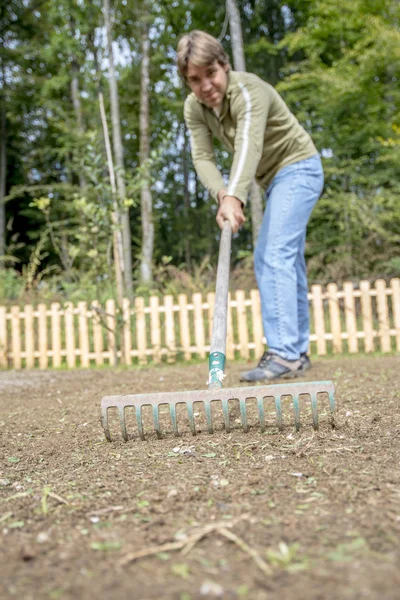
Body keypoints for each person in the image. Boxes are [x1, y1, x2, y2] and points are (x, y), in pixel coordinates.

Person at [177, 30, 324, 382]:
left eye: (210, 73)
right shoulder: (194, 108)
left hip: (300, 167)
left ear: (224, 66)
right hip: (274, 181)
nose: (205, 85)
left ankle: (285, 352)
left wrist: (235, 196)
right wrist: (221, 194)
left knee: (272, 253)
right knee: (284, 258)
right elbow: (202, 157)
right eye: (194, 80)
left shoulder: (248, 90)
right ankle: (297, 351)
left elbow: (248, 146)